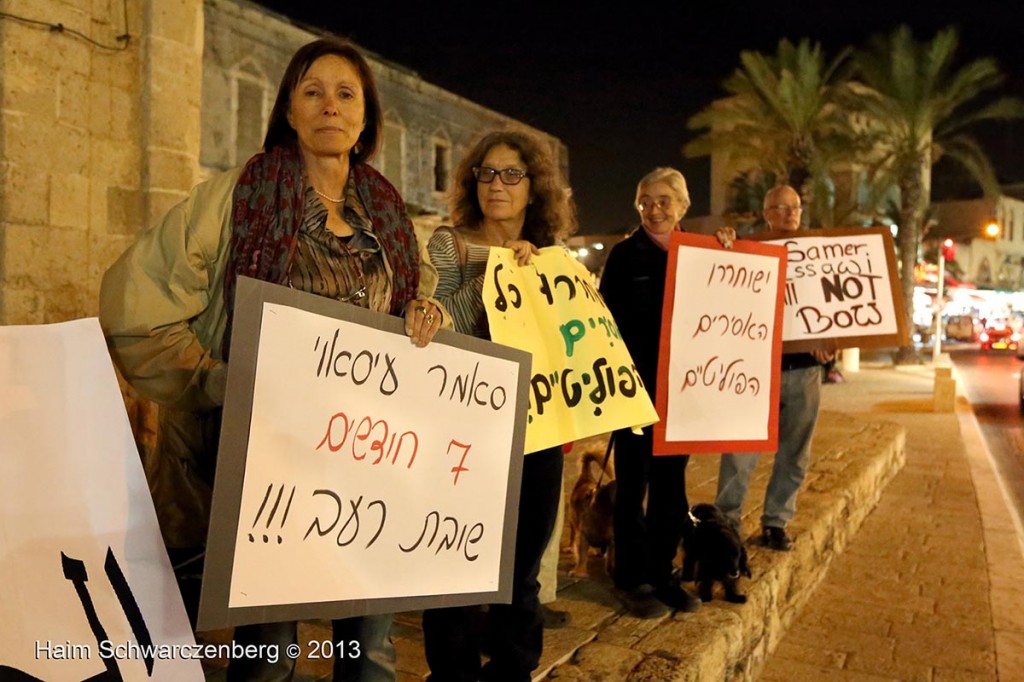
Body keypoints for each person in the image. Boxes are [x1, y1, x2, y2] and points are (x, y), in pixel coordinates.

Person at [100, 38, 445, 682]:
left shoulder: (392, 216)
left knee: (370, 651)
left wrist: (428, 312)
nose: (329, 106)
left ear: (366, 117)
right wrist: (218, 380)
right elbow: (135, 307)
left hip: (366, 470)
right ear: (288, 109)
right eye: (312, 91)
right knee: (268, 652)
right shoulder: (238, 199)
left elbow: (419, 294)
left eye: (346, 94)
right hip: (267, 470)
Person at [422, 130, 574, 682]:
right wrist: (499, 271)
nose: (497, 184)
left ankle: (513, 670)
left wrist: (536, 274)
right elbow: (442, 322)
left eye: (512, 174)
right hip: (464, 429)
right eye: (487, 173)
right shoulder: (450, 243)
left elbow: (569, 341)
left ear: (534, 188)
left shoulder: (553, 257)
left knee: (522, 570)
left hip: (537, 428)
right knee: (451, 560)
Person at [598, 168, 701, 619]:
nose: (653, 209)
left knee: (671, 488)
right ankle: (631, 577)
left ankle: (664, 572)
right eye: (645, 200)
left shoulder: (702, 255)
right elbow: (604, 325)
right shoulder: (623, 255)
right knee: (632, 483)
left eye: (663, 200)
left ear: (682, 206)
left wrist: (732, 248)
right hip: (635, 392)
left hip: (683, 393)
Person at [714, 185, 834, 551]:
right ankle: (727, 523)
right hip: (754, 370)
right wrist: (724, 245)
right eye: (779, 207)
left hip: (804, 371)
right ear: (765, 213)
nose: (788, 213)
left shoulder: (819, 255)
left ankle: (776, 522)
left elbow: (836, 304)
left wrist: (829, 341)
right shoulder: (746, 251)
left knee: (795, 453)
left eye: (794, 206)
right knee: (739, 452)